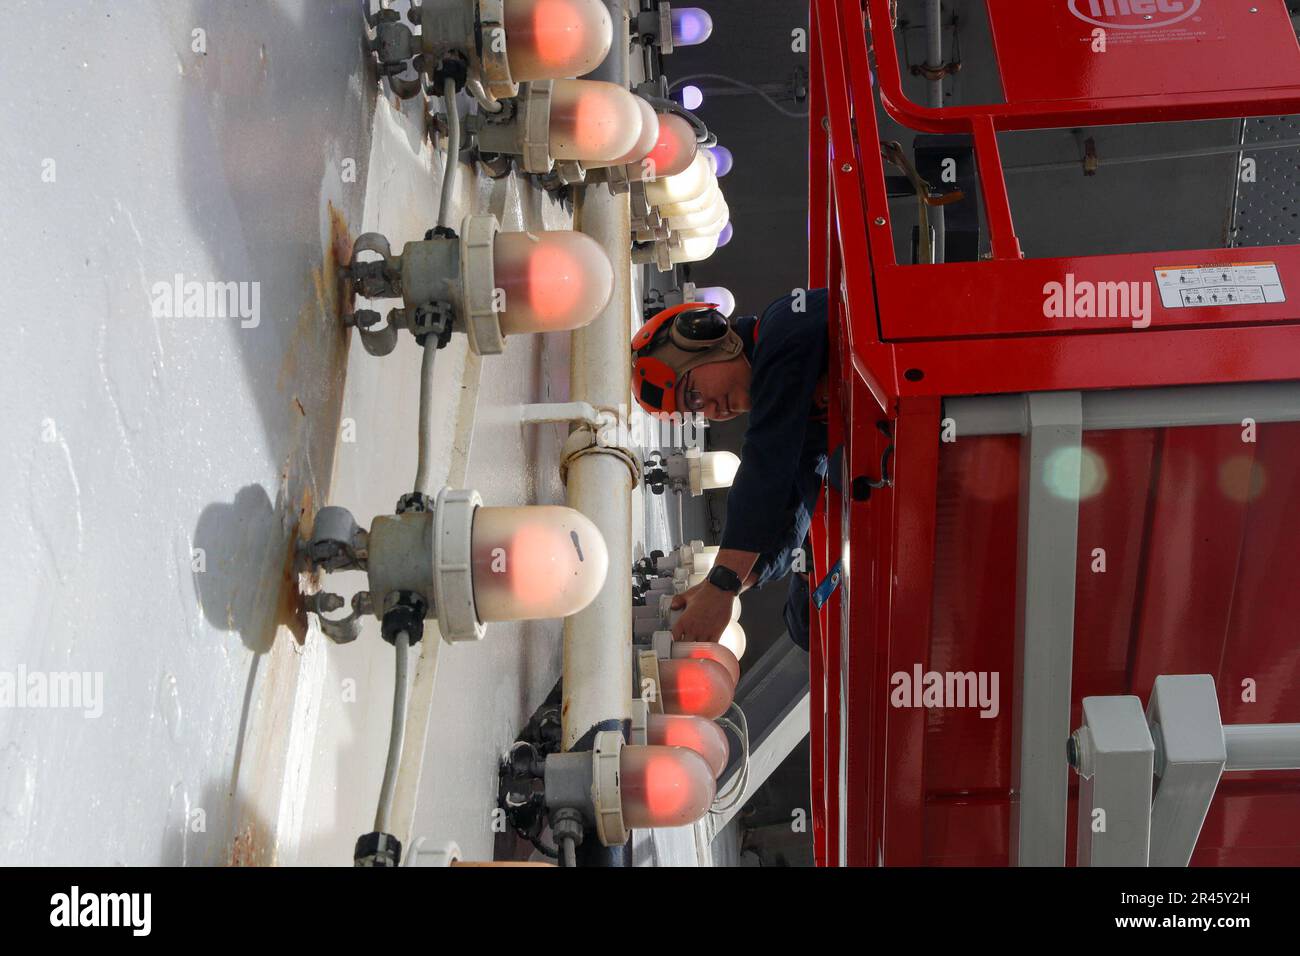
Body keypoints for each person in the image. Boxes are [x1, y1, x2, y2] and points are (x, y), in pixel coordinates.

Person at [630, 288, 834, 650]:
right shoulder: (801, 416)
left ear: (708, 340)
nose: (709, 410)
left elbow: (767, 463)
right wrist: (731, 584)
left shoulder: (786, 324)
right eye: (696, 413)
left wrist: (723, 582)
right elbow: (790, 513)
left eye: (693, 395)